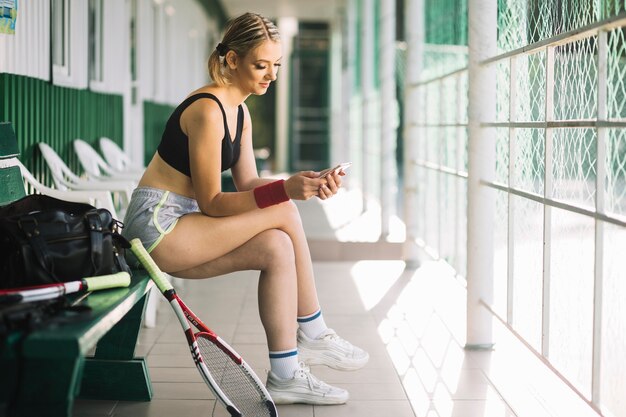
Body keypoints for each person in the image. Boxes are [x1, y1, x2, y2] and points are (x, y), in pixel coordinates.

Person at [122, 12, 368, 405]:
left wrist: (304, 183)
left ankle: (286, 375)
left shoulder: (241, 111)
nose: (271, 75)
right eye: (260, 65)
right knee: (284, 212)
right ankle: (314, 330)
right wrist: (285, 192)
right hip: (158, 225)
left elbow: (249, 185)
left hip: (187, 224)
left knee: (276, 246)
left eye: (276, 65)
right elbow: (214, 203)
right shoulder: (207, 110)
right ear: (232, 60)